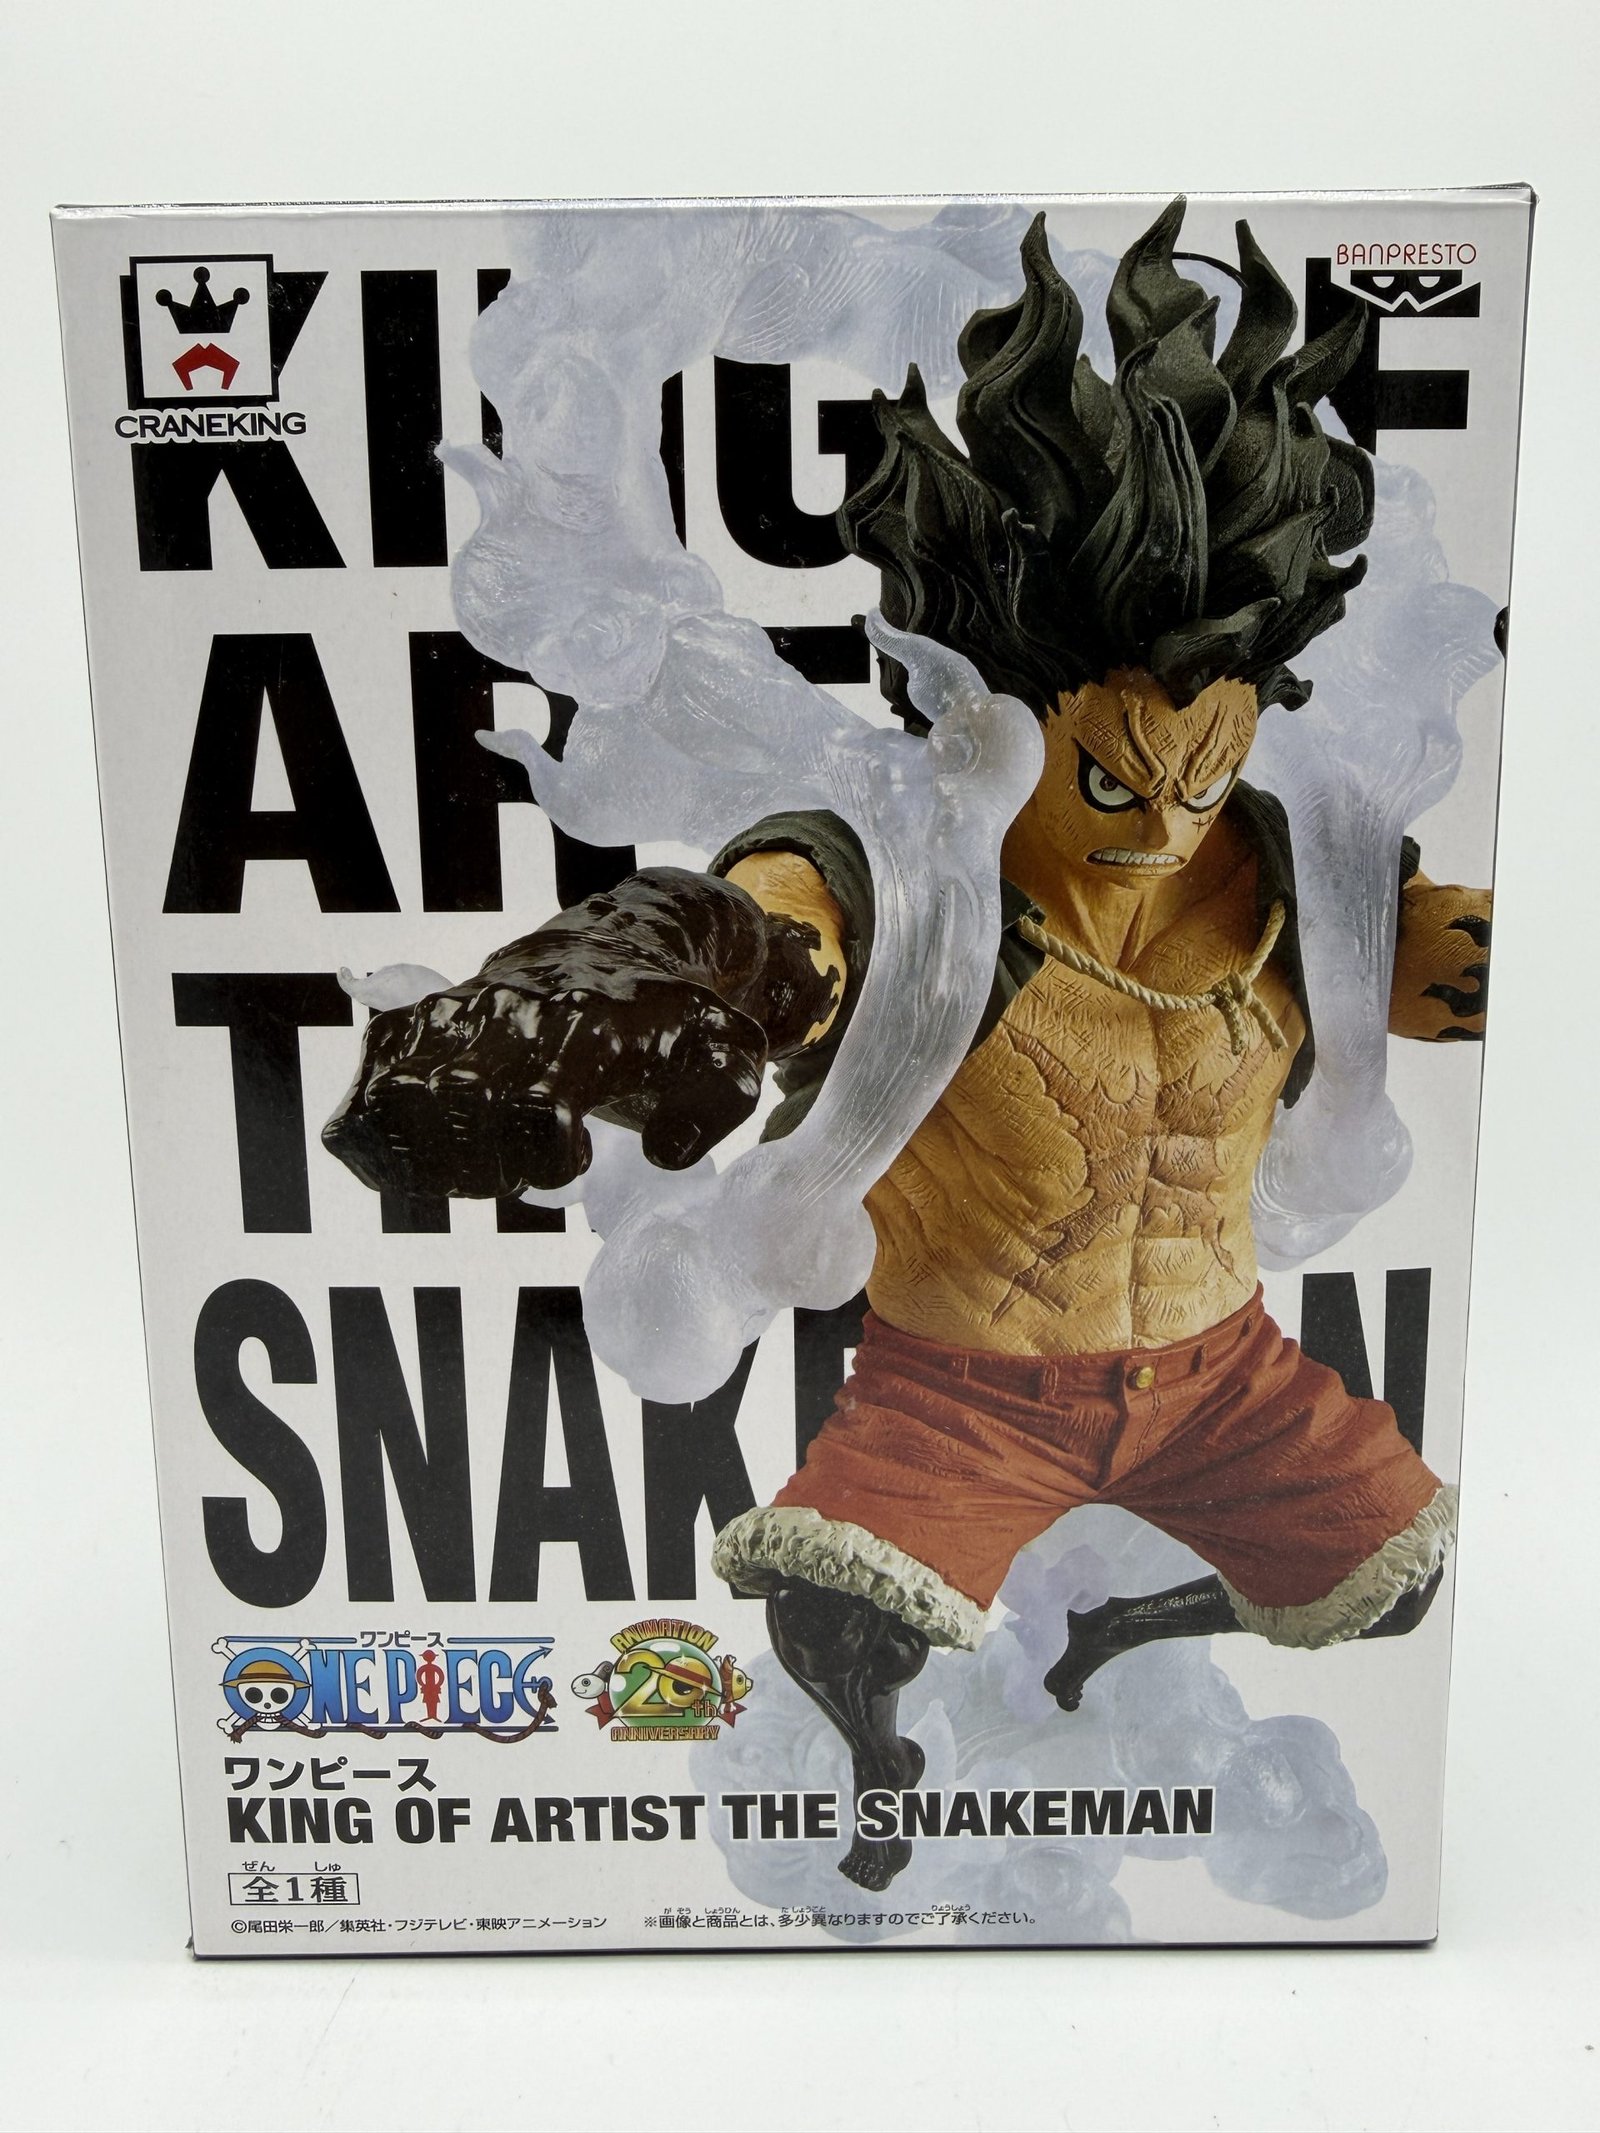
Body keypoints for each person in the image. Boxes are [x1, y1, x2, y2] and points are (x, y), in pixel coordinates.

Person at [323, 204, 1490, 1889]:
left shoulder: (1303, 878)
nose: (1165, 822)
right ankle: (879, 1770)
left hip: (1225, 1376)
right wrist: (599, 1001)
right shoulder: (919, 872)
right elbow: (759, 925)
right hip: (966, 1391)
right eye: (1113, 777)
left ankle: (1118, 1627)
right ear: (1006, 709)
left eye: (1208, 767)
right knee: (836, 1621)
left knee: (1405, 1579)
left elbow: (1463, 960)